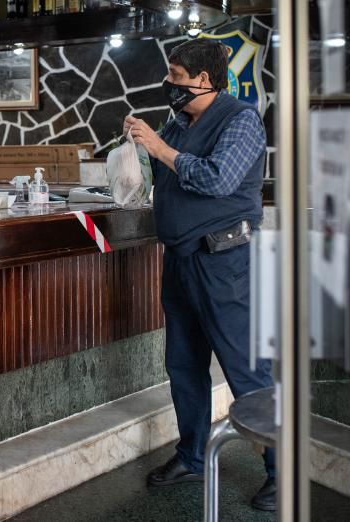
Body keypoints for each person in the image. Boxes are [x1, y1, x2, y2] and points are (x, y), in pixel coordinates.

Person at [123, 38, 275, 511]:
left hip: (225, 262)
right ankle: (192, 455)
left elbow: (217, 179)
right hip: (181, 259)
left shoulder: (241, 120)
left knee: (246, 369)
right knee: (184, 366)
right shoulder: (179, 121)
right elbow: (170, 178)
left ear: (203, 80)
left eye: (175, 75)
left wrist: (157, 145)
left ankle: (281, 469)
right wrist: (136, 157)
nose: (168, 83)